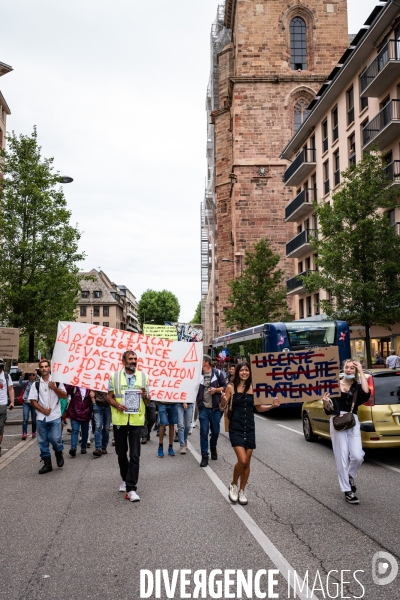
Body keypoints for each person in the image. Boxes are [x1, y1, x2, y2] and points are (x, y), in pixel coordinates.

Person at [222, 362, 280, 505]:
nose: (244, 373)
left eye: (247, 370)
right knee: (242, 460)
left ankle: (242, 490)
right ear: (237, 372)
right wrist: (223, 401)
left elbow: (259, 408)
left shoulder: (254, 388)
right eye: (242, 370)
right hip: (236, 427)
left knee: (247, 464)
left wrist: (272, 406)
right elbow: (223, 407)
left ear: (250, 372)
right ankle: (234, 484)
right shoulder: (231, 388)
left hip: (250, 428)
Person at [322, 359, 370, 504]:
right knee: (341, 457)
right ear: (343, 369)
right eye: (347, 367)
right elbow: (327, 409)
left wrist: (361, 371)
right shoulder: (334, 385)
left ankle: (350, 475)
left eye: (352, 368)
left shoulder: (356, 387)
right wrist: (325, 402)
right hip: (337, 420)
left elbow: (366, 394)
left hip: (352, 420)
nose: (349, 370)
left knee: (358, 455)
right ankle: (347, 490)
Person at [107, 350, 150, 502]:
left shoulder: (144, 377)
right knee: (121, 453)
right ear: (123, 360)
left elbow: (148, 401)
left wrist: (145, 396)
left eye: (135, 359)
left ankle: (131, 488)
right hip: (119, 420)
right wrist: (117, 405)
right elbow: (109, 397)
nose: (133, 361)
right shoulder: (114, 376)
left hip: (136, 421)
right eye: (130, 359)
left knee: (135, 454)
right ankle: (125, 479)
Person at [28, 359, 67, 474]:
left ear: (49, 368)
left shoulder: (57, 382)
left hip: (54, 415)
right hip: (41, 417)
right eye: (42, 367)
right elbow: (33, 401)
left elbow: (64, 395)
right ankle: (47, 463)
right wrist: (43, 410)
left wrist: (54, 388)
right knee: (42, 441)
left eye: (46, 366)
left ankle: (58, 452)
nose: (44, 368)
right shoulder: (36, 384)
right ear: (39, 369)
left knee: (55, 438)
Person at [196, 354, 226, 467]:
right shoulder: (198, 374)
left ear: (206, 362)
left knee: (215, 432)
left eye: (201, 360)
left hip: (215, 409)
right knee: (203, 432)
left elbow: (225, 386)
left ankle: (213, 446)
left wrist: (216, 390)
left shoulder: (218, 373)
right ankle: (205, 455)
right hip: (203, 409)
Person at [65, 385, 92, 457]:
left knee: (85, 431)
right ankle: (73, 448)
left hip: (86, 413)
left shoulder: (90, 387)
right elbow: (67, 390)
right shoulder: (74, 387)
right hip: (75, 413)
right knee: (75, 430)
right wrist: (71, 384)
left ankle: (83, 446)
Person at [90, 389, 111, 457]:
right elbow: (91, 391)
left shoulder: (110, 380)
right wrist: (94, 402)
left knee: (107, 428)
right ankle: (98, 448)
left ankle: (104, 447)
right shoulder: (97, 379)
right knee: (98, 426)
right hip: (98, 406)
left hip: (108, 407)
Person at [0, 358, 14, 457]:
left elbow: (10, 389)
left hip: (2, 404)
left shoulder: (6, 376)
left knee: (0, 428)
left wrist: (12, 402)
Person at [22, 371, 38, 440]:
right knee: (25, 418)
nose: (32, 376)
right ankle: (24, 433)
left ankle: (33, 432)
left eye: (33, 375)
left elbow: (42, 380)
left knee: (34, 419)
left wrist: (37, 375)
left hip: (34, 402)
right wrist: (22, 376)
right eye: (30, 375)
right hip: (26, 402)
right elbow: (20, 382)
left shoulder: (38, 383)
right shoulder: (27, 383)